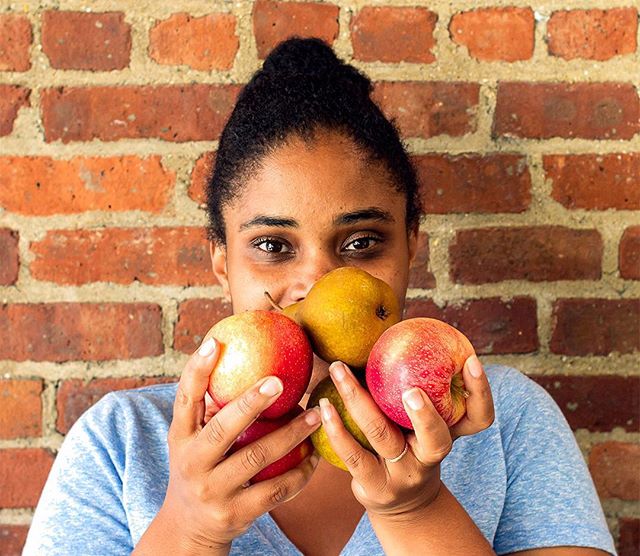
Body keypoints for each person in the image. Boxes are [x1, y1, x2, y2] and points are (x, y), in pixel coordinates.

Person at [23, 37, 616, 556]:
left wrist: (416, 511)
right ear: (220, 262)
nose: (318, 283)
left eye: (361, 241)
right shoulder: (121, 446)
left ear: (411, 246)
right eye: (274, 247)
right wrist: (190, 529)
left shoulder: (503, 421)